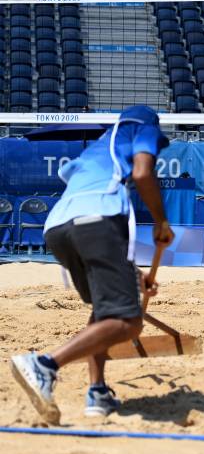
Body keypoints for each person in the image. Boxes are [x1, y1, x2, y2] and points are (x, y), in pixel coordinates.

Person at [10, 106, 175, 424]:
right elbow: (142, 173)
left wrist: (134, 275)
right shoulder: (143, 127)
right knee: (129, 322)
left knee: (103, 311)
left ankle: (97, 391)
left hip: (58, 226)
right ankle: (45, 364)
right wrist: (161, 221)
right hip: (98, 219)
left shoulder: (99, 147)